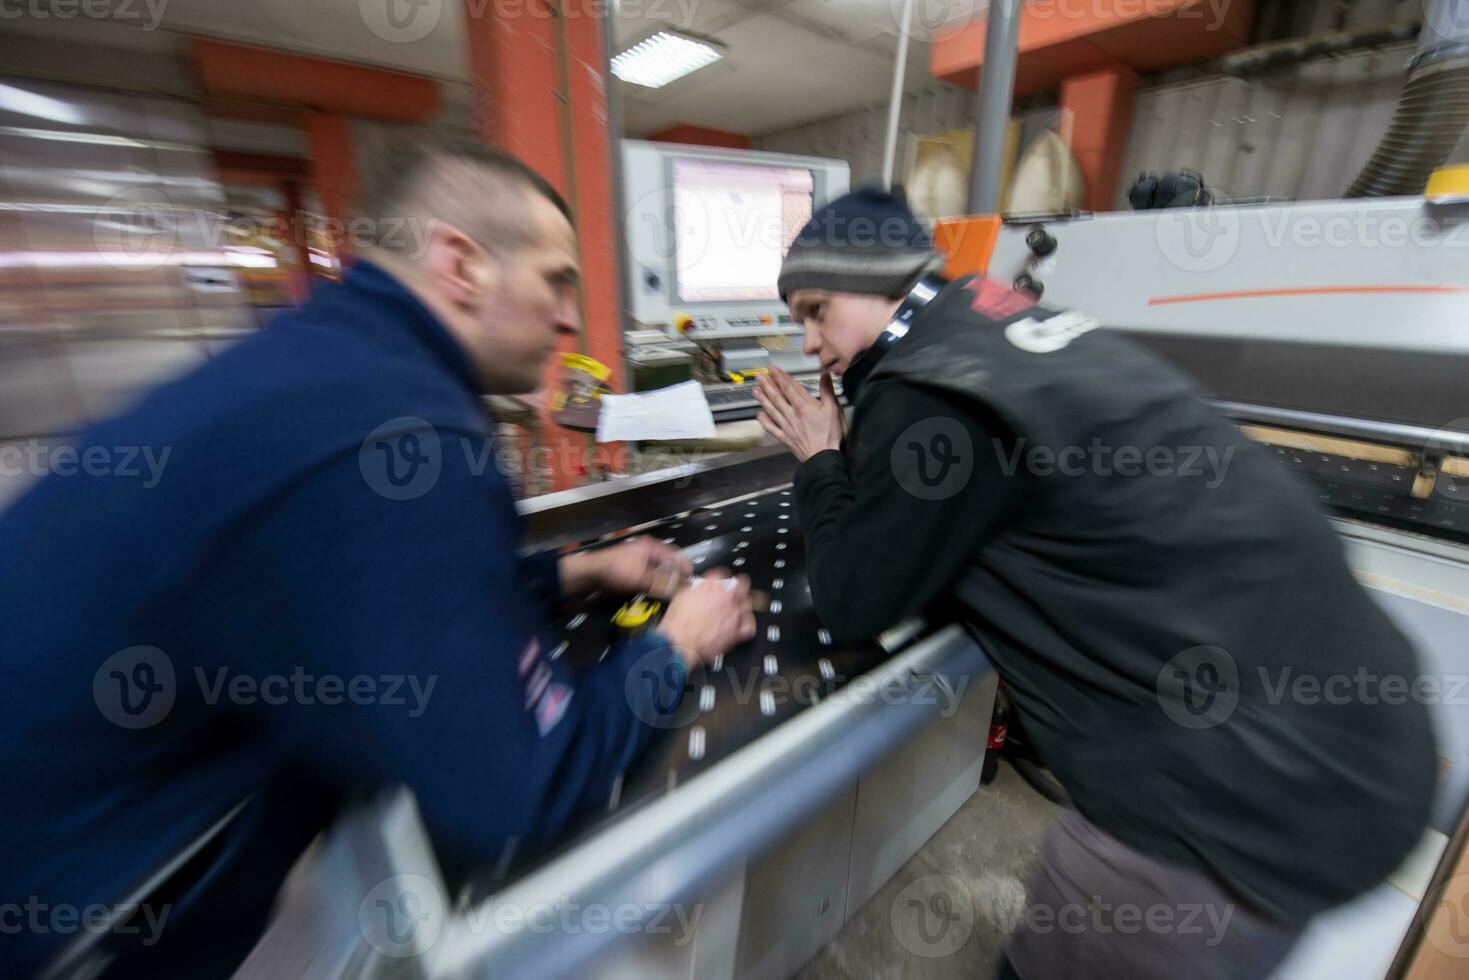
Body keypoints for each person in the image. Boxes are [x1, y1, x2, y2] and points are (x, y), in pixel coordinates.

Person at [0, 139, 756, 978]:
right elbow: (519, 789)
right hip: (69, 910)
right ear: (460, 266)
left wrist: (573, 572)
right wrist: (675, 643)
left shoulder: (330, 359)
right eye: (555, 281)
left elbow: (360, 601)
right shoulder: (403, 438)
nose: (573, 318)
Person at [754, 188, 1437, 979]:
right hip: (1347, 747)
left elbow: (852, 596)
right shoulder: (990, 314)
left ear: (880, 281)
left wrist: (820, 460)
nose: (808, 343)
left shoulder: (930, 392)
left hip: (1228, 808)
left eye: (816, 310)